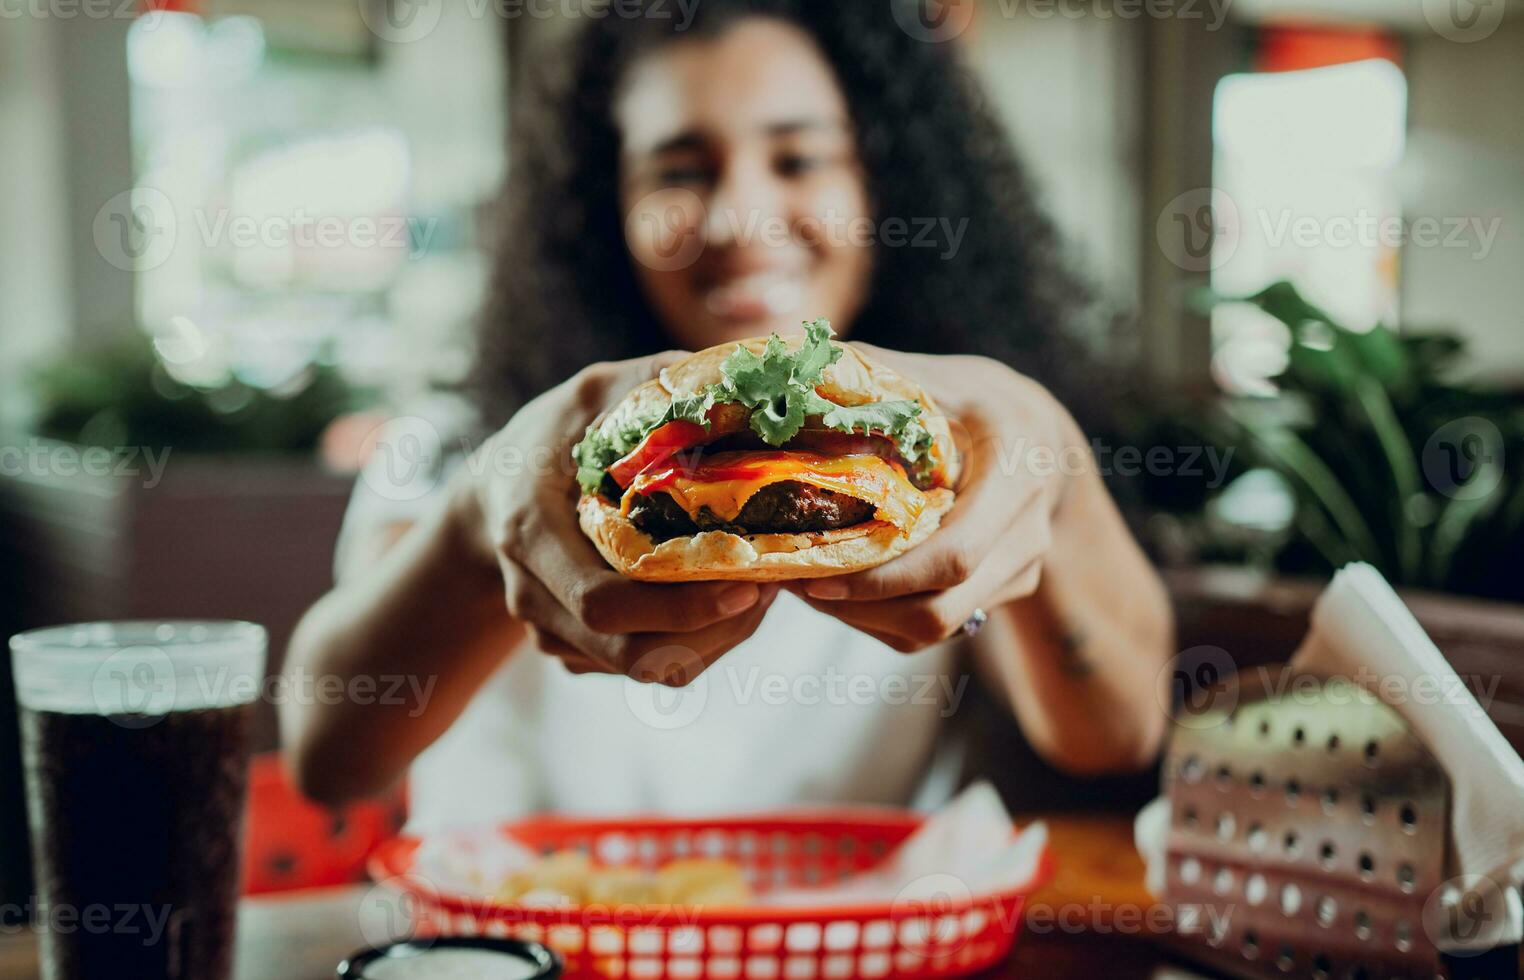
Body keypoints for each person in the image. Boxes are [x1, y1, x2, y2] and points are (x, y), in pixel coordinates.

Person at [281, 0, 1173, 830]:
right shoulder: (461, 434)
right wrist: (480, 527)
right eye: (679, 170)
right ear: (607, 210)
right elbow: (329, 756)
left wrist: (1049, 453)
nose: (740, 216)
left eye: (799, 159)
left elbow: (1116, 737)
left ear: (884, 188)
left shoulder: (946, 463)